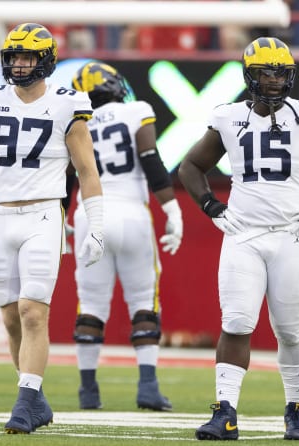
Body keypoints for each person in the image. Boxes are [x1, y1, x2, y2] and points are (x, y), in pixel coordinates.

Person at [177, 37, 299, 441]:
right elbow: (191, 166)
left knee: (291, 330)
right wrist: (211, 207)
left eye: (281, 72)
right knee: (236, 322)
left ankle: (297, 411)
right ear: (250, 74)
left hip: (290, 236)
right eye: (267, 72)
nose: (275, 80)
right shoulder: (228, 117)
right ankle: (224, 411)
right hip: (243, 234)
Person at [0, 22, 104, 434]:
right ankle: (35, 398)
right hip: (0, 216)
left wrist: (95, 225)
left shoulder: (68, 104)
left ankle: (23, 404)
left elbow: (87, 170)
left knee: (33, 312)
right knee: (11, 318)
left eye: (27, 57)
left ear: (46, 60)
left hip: (42, 214)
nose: (19, 64)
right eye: (14, 57)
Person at [70, 61, 183, 411]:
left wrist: (60, 218)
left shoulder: (74, 120)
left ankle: (88, 391)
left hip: (90, 214)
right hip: (132, 212)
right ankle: (148, 385)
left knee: (90, 304)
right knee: (143, 300)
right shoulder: (136, 111)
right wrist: (172, 209)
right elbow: (150, 160)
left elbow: (65, 172)